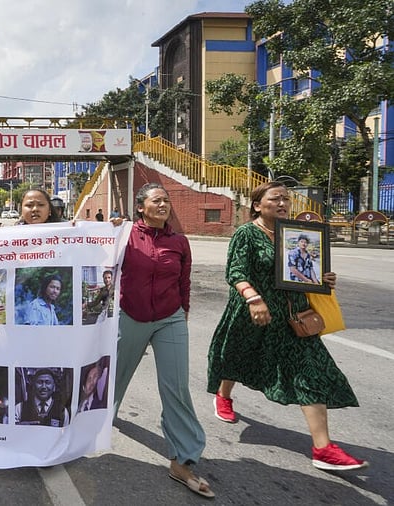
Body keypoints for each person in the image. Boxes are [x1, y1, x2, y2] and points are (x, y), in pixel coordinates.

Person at [207, 181, 366, 471]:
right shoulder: (247, 233)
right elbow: (235, 272)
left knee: (311, 371)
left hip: (293, 317)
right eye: (275, 198)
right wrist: (253, 298)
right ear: (257, 205)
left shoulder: (296, 235)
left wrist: (323, 279)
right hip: (251, 311)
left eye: (286, 199)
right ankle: (223, 395)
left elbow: (306, 271)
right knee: (236, 357)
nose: (282, 203)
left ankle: (323, 448)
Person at [111, 183, 214, 498]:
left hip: (169, 318)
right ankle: (94, 426)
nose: (164, 204)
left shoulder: (179, 241)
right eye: (157, 200)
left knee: (177, 388)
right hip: (130, 316)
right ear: (141, 206)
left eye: (167, 201)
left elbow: (184, 280)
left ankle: (182, 461)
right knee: (112, 378)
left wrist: (183, 312)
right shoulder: (124, 234)